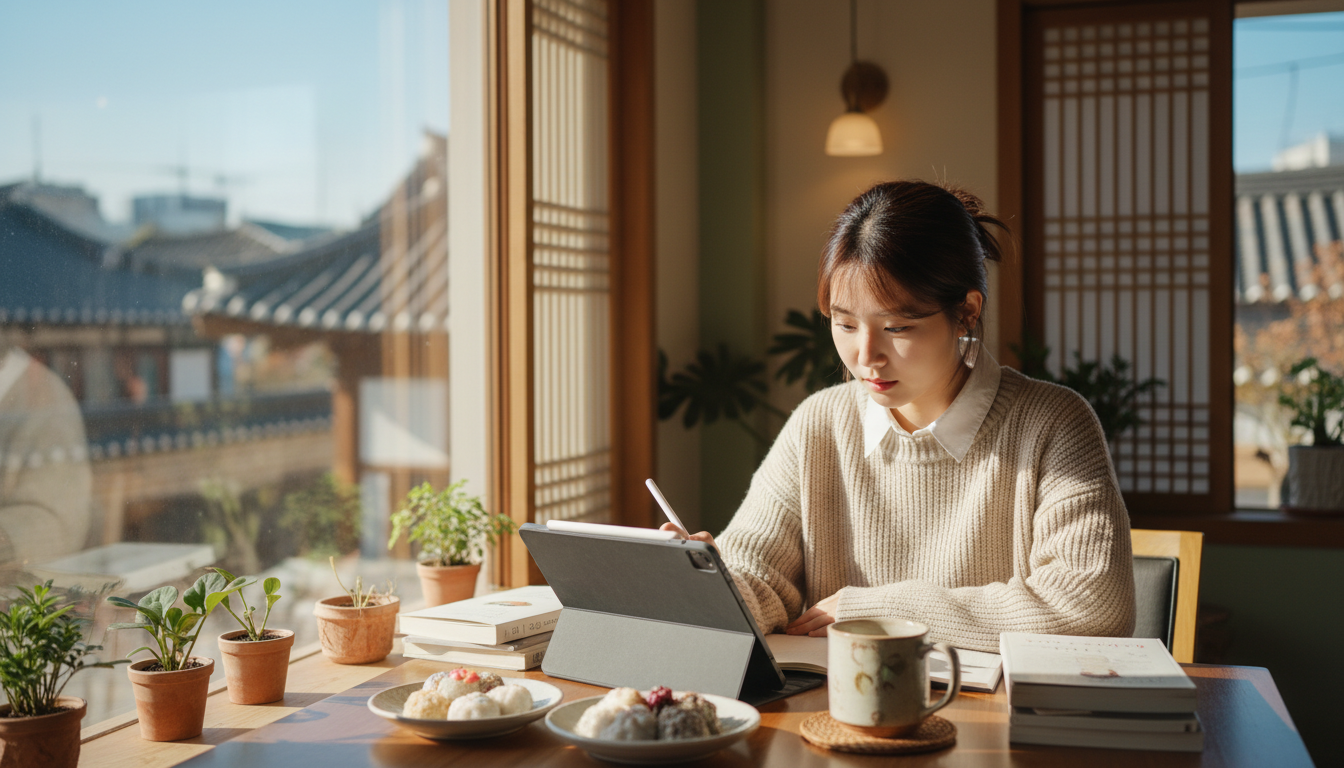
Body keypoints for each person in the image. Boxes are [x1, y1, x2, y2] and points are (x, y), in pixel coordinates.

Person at [662, 181, 1135, 653]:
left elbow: (1094, 604)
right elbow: (758, 570)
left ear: (967, 311)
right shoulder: (819, 425)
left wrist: (889, 612)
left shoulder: (1053, 424)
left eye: (896, 328)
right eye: (845, 324)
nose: (866, 356)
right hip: (840, 710)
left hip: (994, 717)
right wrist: (713, 583)